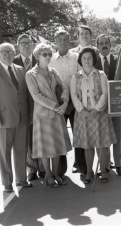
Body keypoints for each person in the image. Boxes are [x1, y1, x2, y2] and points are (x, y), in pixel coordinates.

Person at [25, 43, 72, 187]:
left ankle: (57, 174)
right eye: (44, 54)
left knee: (57, 146)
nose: (48, 57)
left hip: (57, 114)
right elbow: (36, 96)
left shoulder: (53, 72)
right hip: (43, 116)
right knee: (45, 148)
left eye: (49, 54)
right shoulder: (30, 74)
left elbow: (64, 86)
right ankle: (48, 176)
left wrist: (64, 103)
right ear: (37, 56)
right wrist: (55, 106)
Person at [70, 46, 117, 184]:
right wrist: (82, 110)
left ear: (94, 59)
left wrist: (96, 109)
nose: (87, 60)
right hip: (83, 115)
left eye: (89, 58)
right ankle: (89, 172)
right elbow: (73, 95)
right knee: (87, 145)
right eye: (84, 58)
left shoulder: (101, 75)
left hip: (99, 114)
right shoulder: (75, 76)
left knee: (101, 144)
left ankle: (103, 171)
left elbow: (105, 93)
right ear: (80, 60)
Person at [49, 30, 85, 178]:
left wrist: (72, 102)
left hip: (76, 104)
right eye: (60, 39)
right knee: (60, 137)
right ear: (55, 41)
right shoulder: (50, 60)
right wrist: (61, 103)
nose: (63, 42)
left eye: (66, 39)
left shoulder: (77, 58)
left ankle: (83, 167)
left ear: (69, 41)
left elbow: (81, 81)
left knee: (80, 136)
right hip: (58, 106)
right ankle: (60, 171)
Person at [0, 42, 32, 193]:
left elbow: (26, 95)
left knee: (21, 149)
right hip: (4, 117)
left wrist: (30, 114)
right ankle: (7, 183)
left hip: (22, 116)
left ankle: (21, 178)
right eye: (4, 52)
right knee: (4, 152)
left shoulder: (21, 70)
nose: (7, 55)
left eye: (10, 52)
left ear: (15, 54)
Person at [14, 34, 45, 181]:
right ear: (18, 45)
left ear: (33, 45)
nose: (26, 45)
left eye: (29, 43)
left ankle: (43, 168)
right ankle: (31, 169)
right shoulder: (12, 62)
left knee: (40, 138)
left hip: (39, 107)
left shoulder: (40, 61)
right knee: (26, 141)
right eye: (23, 43)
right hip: (20, 110)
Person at [95, 34, 121, 176]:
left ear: (110, 45)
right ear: (97, 46)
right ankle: (105, 165)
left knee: (118, 134)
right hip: (99, 106)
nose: (104, 45)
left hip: (117, 104)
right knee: (102, 135)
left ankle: (119, 164)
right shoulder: (93, 62)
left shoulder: (118, 61)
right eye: (101, 43)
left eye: (106, 43)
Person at [69, 25, 98, 174]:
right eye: (82, 34)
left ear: (90, 36)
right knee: (79, 134)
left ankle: (103, 163)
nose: (84, 36)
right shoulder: (72, 53)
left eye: (87, 33)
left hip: (94, 101)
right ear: (78, 36)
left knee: (96, 133)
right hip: (77, 99)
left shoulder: (96, 51)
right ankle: (79, 164)